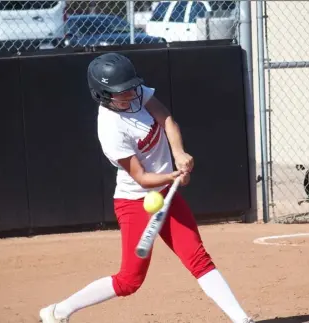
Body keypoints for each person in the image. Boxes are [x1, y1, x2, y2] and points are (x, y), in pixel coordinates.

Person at [39, 53, 254, 323]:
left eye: (131, 87)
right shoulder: (110, 128)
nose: (130, 94)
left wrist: (179, 154)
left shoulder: (137, 93)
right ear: (102, 95)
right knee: (130, 280)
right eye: (121, 92)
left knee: (197, 257)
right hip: (135, 202)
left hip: (165, 193)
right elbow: (141, 178)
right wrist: (173, 176)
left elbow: (167, 120)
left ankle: (242, 319)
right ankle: (58, 312)